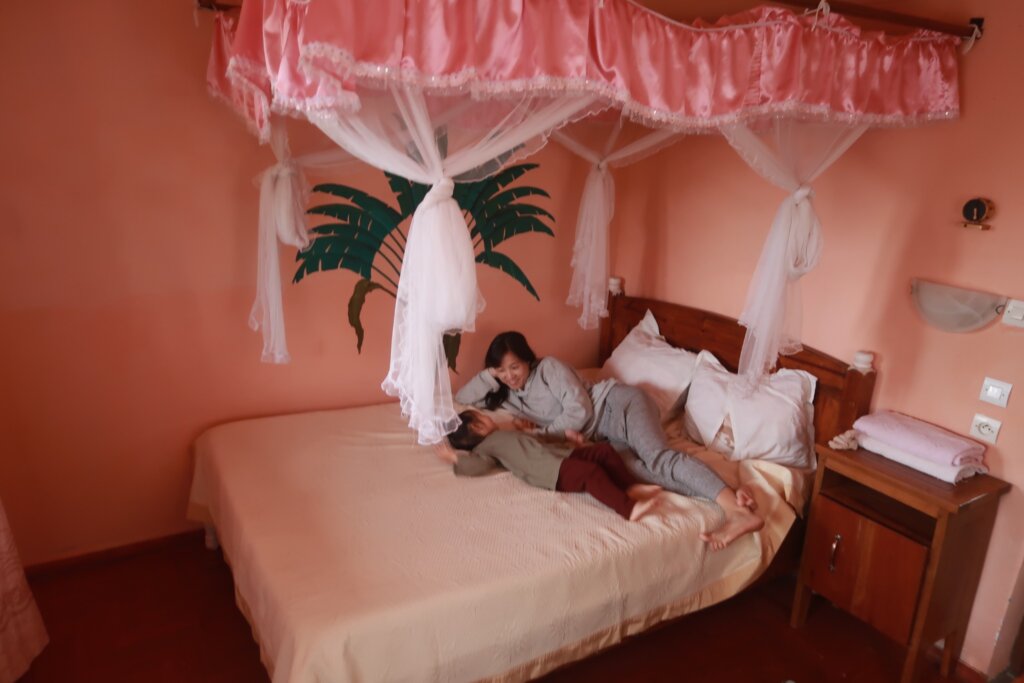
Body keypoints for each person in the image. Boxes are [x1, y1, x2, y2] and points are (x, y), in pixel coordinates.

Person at [455, 332, 763, 550]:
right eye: (501, 370)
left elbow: (580, 410)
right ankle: (729, 494)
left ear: (528, 361)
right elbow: (463, 397)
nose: (510, 376)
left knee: (657, 458)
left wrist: (541, 436)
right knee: (639, 474)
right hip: (600, 437)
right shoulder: (507, 395)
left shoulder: (548, 368)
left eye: (515, 367)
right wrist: (489, 376)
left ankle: (734, 511)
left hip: (619, 406)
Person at [438, 410, 667, 521]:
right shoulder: (485, 448)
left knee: (603, 451)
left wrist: (563, 436)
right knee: (591, 473)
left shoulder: (505, 434)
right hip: (550, 471)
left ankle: (628, 487)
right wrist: (455, 458)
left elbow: (538, 438)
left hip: (561, 454)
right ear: (477, 427)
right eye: (483, 417)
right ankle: (628, 508)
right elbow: (478, 466)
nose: (489, 418)